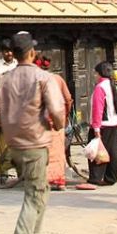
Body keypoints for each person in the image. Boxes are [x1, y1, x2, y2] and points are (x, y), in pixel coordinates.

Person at [0, 32, 64, 234]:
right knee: (33, 195)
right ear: (32, 53)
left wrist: (9, 125)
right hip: (35, 145)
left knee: (41, 192)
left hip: (13, 145)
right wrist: (57, 125)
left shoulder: (4, 79)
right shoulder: (43, 77)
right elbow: (57, 111)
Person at [37, 56, 72, 191]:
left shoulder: (36, 81)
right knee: (58, 151)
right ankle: (59, 181)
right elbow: (68, 99)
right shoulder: (58, 79)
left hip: (41, 121)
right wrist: (66, 115)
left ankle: (44, 180)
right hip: (57, 119)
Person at [88, 61, 117, 186]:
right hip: (112, 123)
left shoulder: (100, 87)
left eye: (95, 73)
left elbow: (98, 109)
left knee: (97, 151)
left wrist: (96, 128)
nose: (95, 76)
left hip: (102, 124)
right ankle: (111, 177)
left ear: (99, 73)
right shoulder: (113, 87)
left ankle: (95, 178)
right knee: (111, 151)